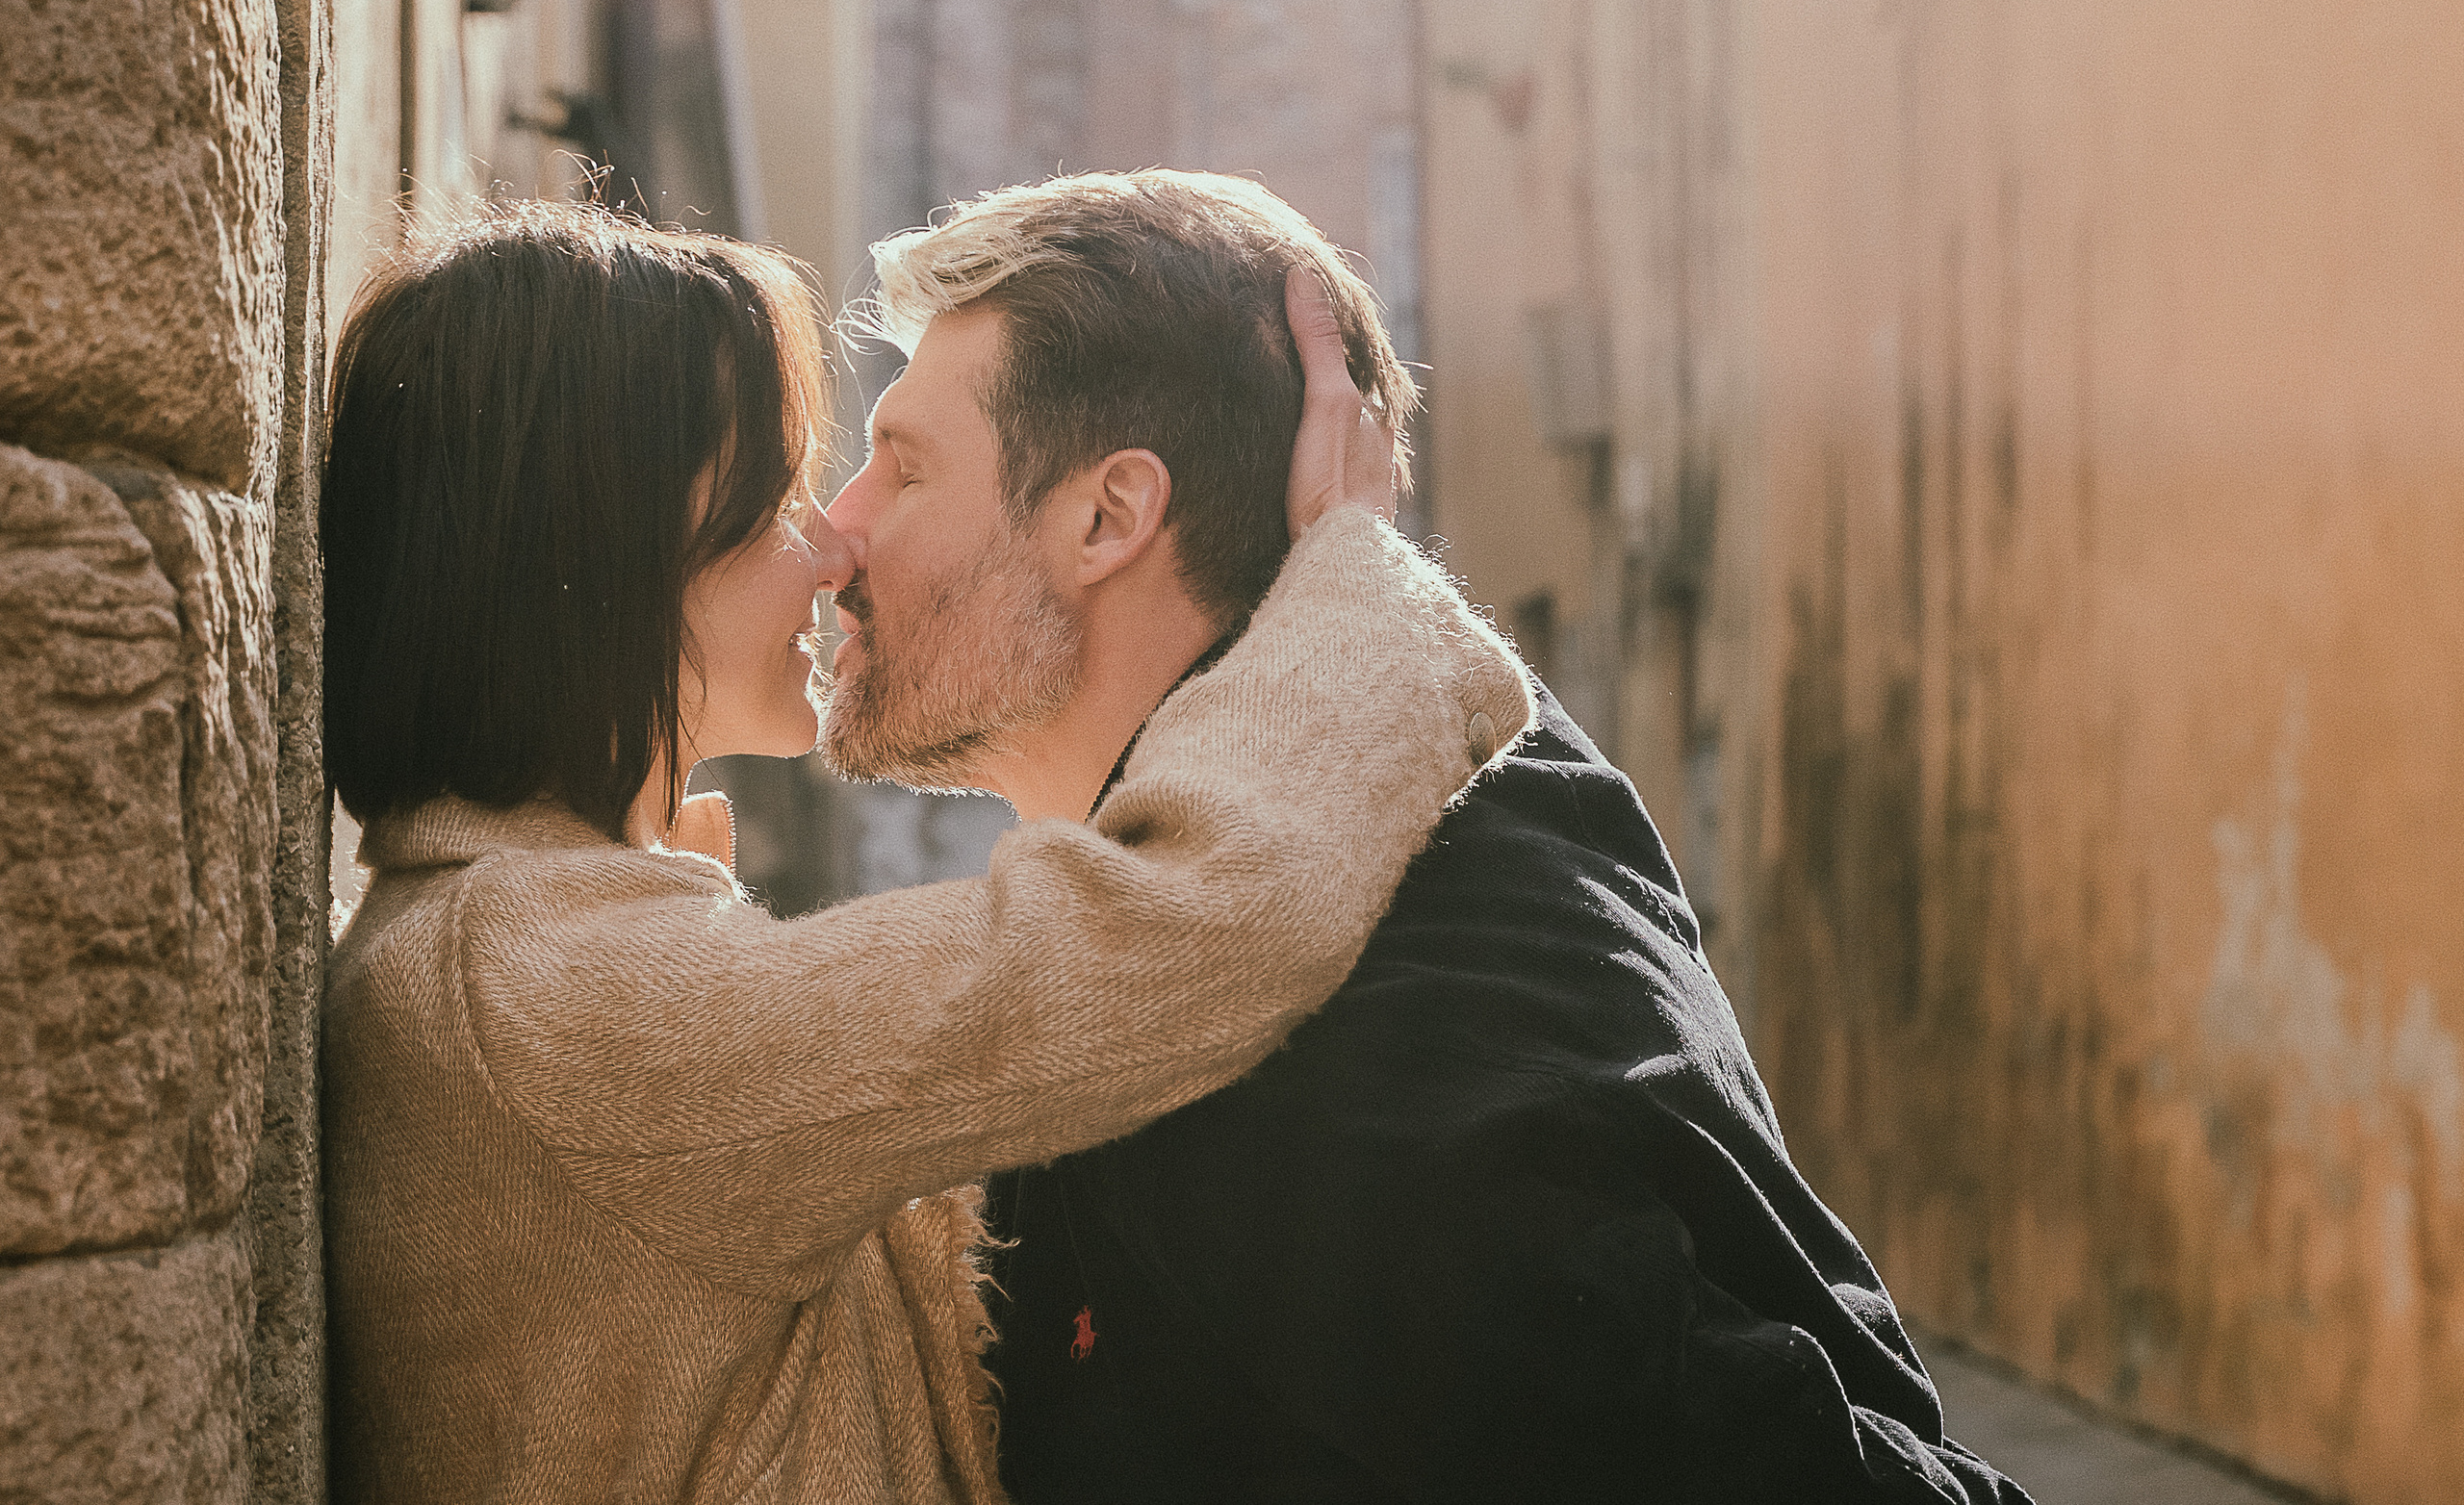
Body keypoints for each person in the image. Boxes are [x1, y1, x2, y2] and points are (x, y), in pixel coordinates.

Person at [823, 169, 2033, 1503]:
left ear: (1109, 517)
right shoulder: (1195, 936)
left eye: (904, 463)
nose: (838, 524)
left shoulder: (1367, 999)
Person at [316, 197, 1530, 1504]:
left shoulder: (499, 954)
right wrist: (1351, 578)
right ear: (607, 552)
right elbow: (1185, 930)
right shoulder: (553, 1002)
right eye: (776, 496)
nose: (833, 542)